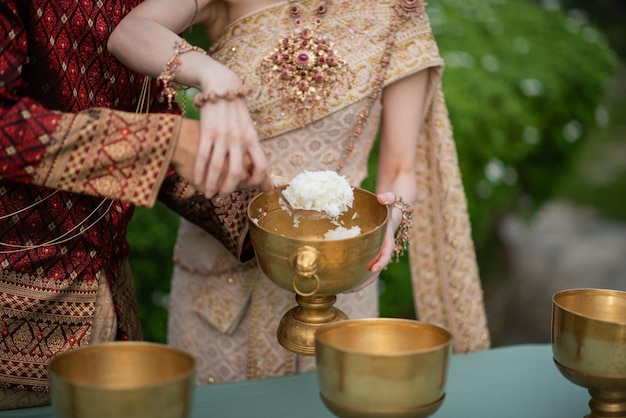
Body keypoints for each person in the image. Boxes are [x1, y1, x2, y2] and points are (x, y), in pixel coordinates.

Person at [108, 0, 491, 385]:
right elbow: (128, 33)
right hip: (221, 277)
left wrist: (388, 222)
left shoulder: (395, 14)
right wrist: (212, 74)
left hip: (341, 279)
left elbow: (399, 169)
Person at [0, 0, 272, 410]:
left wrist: (274, 225)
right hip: (15, 325)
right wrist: (166, 141)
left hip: (113, 307)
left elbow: (154, 132)